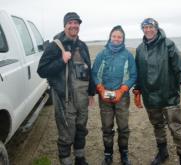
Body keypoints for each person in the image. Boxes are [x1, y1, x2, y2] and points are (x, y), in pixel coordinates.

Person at [37, 12, 95, 165]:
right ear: (65, 25)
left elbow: (89, 70)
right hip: (65, 99)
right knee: (66, 134)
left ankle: (80, 158)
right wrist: (61, 61)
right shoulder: (55, 46)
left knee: (81, 129)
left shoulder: (82, 46)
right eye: (71, 22)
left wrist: (91, 93)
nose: (74, 25)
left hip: (82, 98)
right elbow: (41, 71)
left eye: (77, 23)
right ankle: (66, 161)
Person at [133, 18, 181, 165]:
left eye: (150, 27)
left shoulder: (168, 45)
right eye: (145, 27)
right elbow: (139, 72)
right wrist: (137, 90)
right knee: (157, 126)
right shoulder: (140, 49)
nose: (148, 30)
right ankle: (162, 152)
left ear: (157, 28)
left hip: (169, 96)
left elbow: (180, 68)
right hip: (150, 97)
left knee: (176, 128)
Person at [92, 25, 137, 165]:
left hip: (122, 97)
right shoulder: (102, 54)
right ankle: (108, 154)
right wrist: (100, 89)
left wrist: (122, 90)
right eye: (114, 36)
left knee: (123, 127)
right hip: (104, 97)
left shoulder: (128, 55)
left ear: (123, 39)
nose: (116, 39)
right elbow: (94, 73)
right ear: (110, 37)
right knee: (107, 127)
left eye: (119, 37)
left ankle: (124, 154)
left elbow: (133, 75)